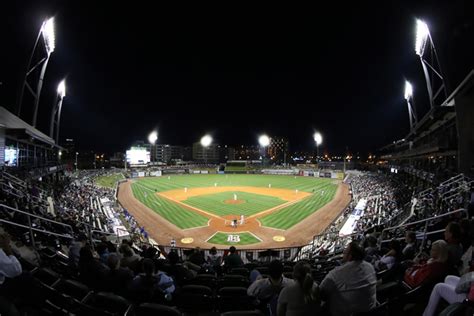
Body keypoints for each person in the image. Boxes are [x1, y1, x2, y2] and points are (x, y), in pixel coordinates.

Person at [320, 241, 377, 316]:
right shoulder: (370, 267)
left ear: (350, 256)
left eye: (345, 252)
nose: (343, 253)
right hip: (371, 311)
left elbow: (321, 292)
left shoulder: (336, 273)